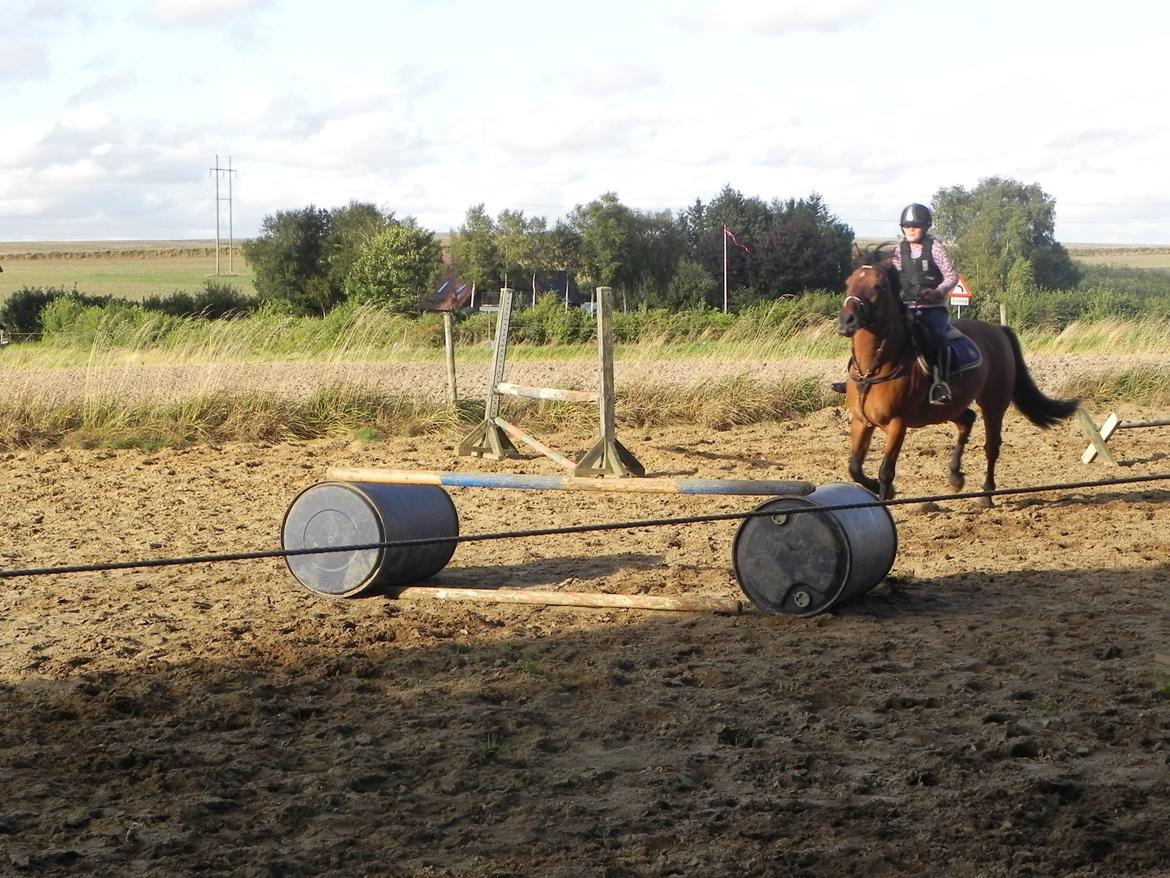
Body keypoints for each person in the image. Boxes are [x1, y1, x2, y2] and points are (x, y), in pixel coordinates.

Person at [832, 203, 959, 404]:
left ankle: (939, 384)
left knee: (936, 338)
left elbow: (951, 276)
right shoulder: (900, 250)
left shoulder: (935, 248)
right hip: (905, 306)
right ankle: (853, 379)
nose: (911, 230)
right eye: (907, 226)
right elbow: (890, 274)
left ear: (925, 227)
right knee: (869, 335)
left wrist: (939, 291)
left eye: (915, 226)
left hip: (931, 309)